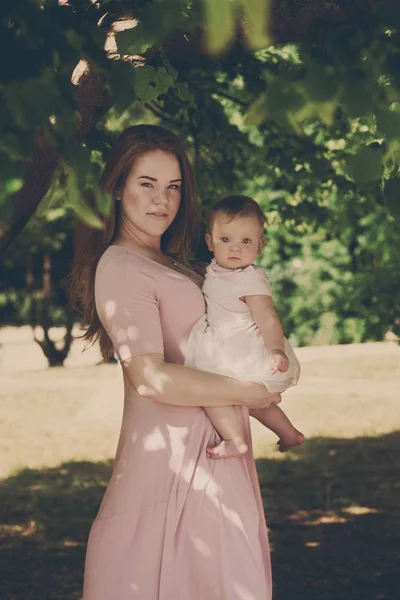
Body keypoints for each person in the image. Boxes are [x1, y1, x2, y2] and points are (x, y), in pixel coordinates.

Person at [70, 124, 281, 600]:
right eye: (146, 184)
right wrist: (248, 393)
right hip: (174, 472)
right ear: (118, 187)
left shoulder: (172, 262)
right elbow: (149, 377)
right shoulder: (122, 265)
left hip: (211, 459)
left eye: (173, 186)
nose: (161, 200)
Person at [185, 195, 304, 459]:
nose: (235, 248)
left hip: (240, 347)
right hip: (227, 344)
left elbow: (268, 318)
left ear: (260, 245)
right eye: (225, 240)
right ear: (210, 242)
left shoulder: (251, 280)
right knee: (253, 403)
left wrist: (276, 350)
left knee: (208, 391)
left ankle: (234, 438)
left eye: (246, 241)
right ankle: (289, 433)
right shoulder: (216, 268)